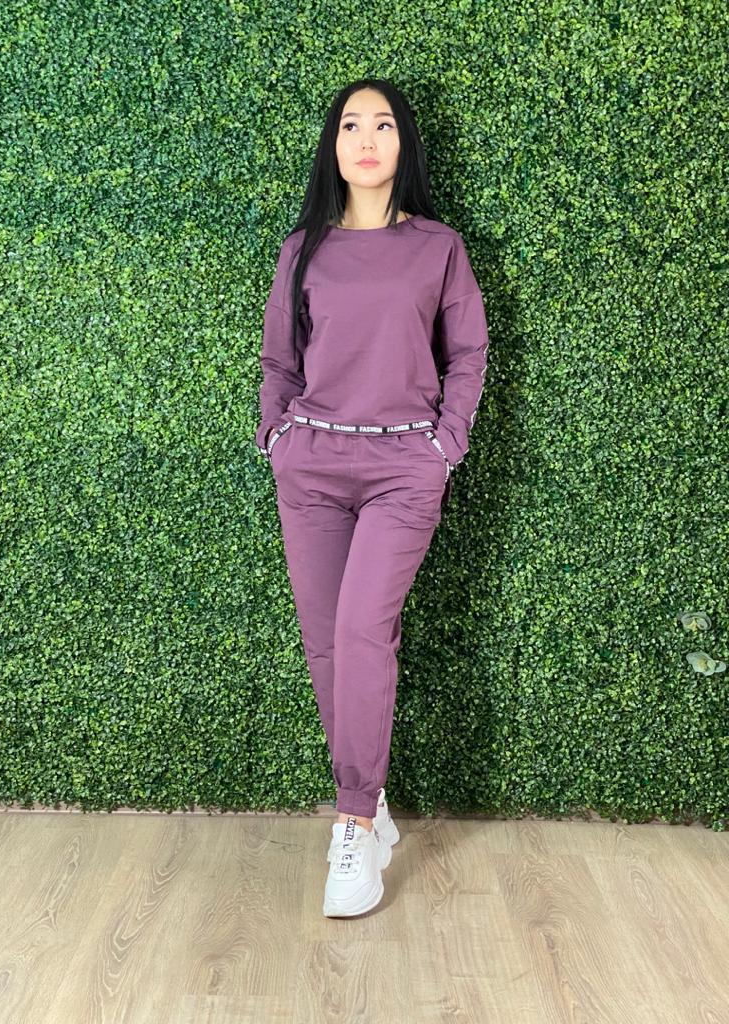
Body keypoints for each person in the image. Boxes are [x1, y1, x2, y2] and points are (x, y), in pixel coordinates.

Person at [255, 78, 490, 916]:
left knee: (362, 630)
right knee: (328, 647)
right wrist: (276, 437)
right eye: (351, 125)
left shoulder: (438, 248)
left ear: (404, 145)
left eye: (383, 125)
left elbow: (468, 353)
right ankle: (374, 807)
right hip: (311, 466)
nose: (365, 139)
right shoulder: (303, 249)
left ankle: (353, 823)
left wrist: (444, 445)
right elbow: (279, 361)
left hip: (402, 469)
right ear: (333, 145)